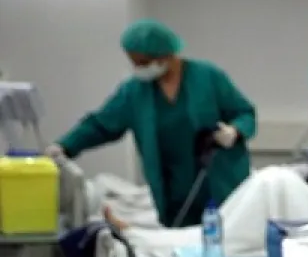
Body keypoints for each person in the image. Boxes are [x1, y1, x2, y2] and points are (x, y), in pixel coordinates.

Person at [47, 20, 257, 227]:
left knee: (227, 233)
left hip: (220, 180)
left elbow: (245, 113)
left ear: (165, 55)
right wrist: (65, 146)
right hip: (173, 191)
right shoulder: (135, 91)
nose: (138, 68)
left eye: (143, 62)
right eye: (134, 62)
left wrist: (235, 131)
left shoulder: (208, 77)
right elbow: (101, 124)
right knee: (181, 239)